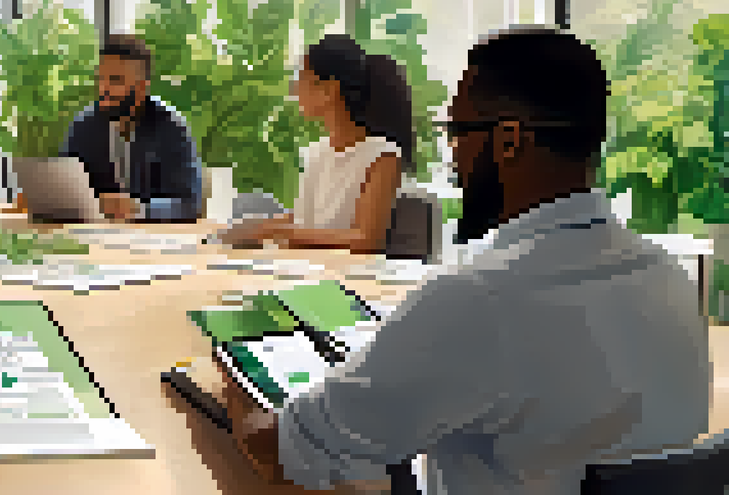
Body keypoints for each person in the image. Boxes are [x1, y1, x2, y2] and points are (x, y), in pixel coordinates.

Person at [219, 27, 711, 494]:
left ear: (509, 140)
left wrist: (229, 370)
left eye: (457, 132)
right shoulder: (671, 282)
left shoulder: (480, 299)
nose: (452, 157)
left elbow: (281, 455)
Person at [223, 34, 414, 253]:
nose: (293, 89)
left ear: (328, 91)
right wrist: (262, 227)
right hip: (304, 268)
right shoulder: (318, 151)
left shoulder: (383, 155)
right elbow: (310, 221)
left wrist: (276, 231)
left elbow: (365, 239)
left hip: (342, 279)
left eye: (300, 78)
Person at [58, 33, 203, 222]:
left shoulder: (171, 128)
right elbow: (64, 191)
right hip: (95, 237)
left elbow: (189, 205)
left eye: (115, 80)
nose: (104, 88)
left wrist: (138, 208)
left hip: (156, 241)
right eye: (100, 79)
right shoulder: (83, 126)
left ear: (142, 88)